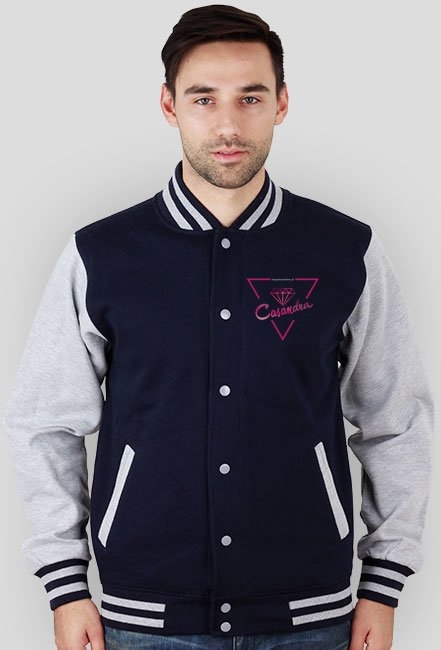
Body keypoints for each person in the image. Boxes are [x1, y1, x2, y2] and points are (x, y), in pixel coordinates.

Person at [2, 4, 434, 650]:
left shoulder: (344, 252)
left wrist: (383, 582)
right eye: (203, 99)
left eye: (250, 98)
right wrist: (65, 585)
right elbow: (44, 424)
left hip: (309, 615)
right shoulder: (101, 256)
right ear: (169, 105)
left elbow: (396, 420)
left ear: (281, 103)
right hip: (144, 617)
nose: (228, 125)